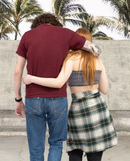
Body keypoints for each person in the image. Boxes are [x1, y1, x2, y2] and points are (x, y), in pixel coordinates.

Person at [14, 13, 102, 161]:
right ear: (55, 23)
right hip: (58, 99)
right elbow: (96, 50)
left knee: (36, 148)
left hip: (33, 98)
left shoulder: (27, 36)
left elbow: (18, 71)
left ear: (37, 24)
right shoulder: (66, 34)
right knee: (56, 144)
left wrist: (18, 100)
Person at [23, 28, 118, 161]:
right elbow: (105, 89)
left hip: (78, 111)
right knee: (95, 155)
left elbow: (58, 83)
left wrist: (32, 79)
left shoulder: (71, 59)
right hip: (98, 110)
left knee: (75, 153)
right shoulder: (97, 61)